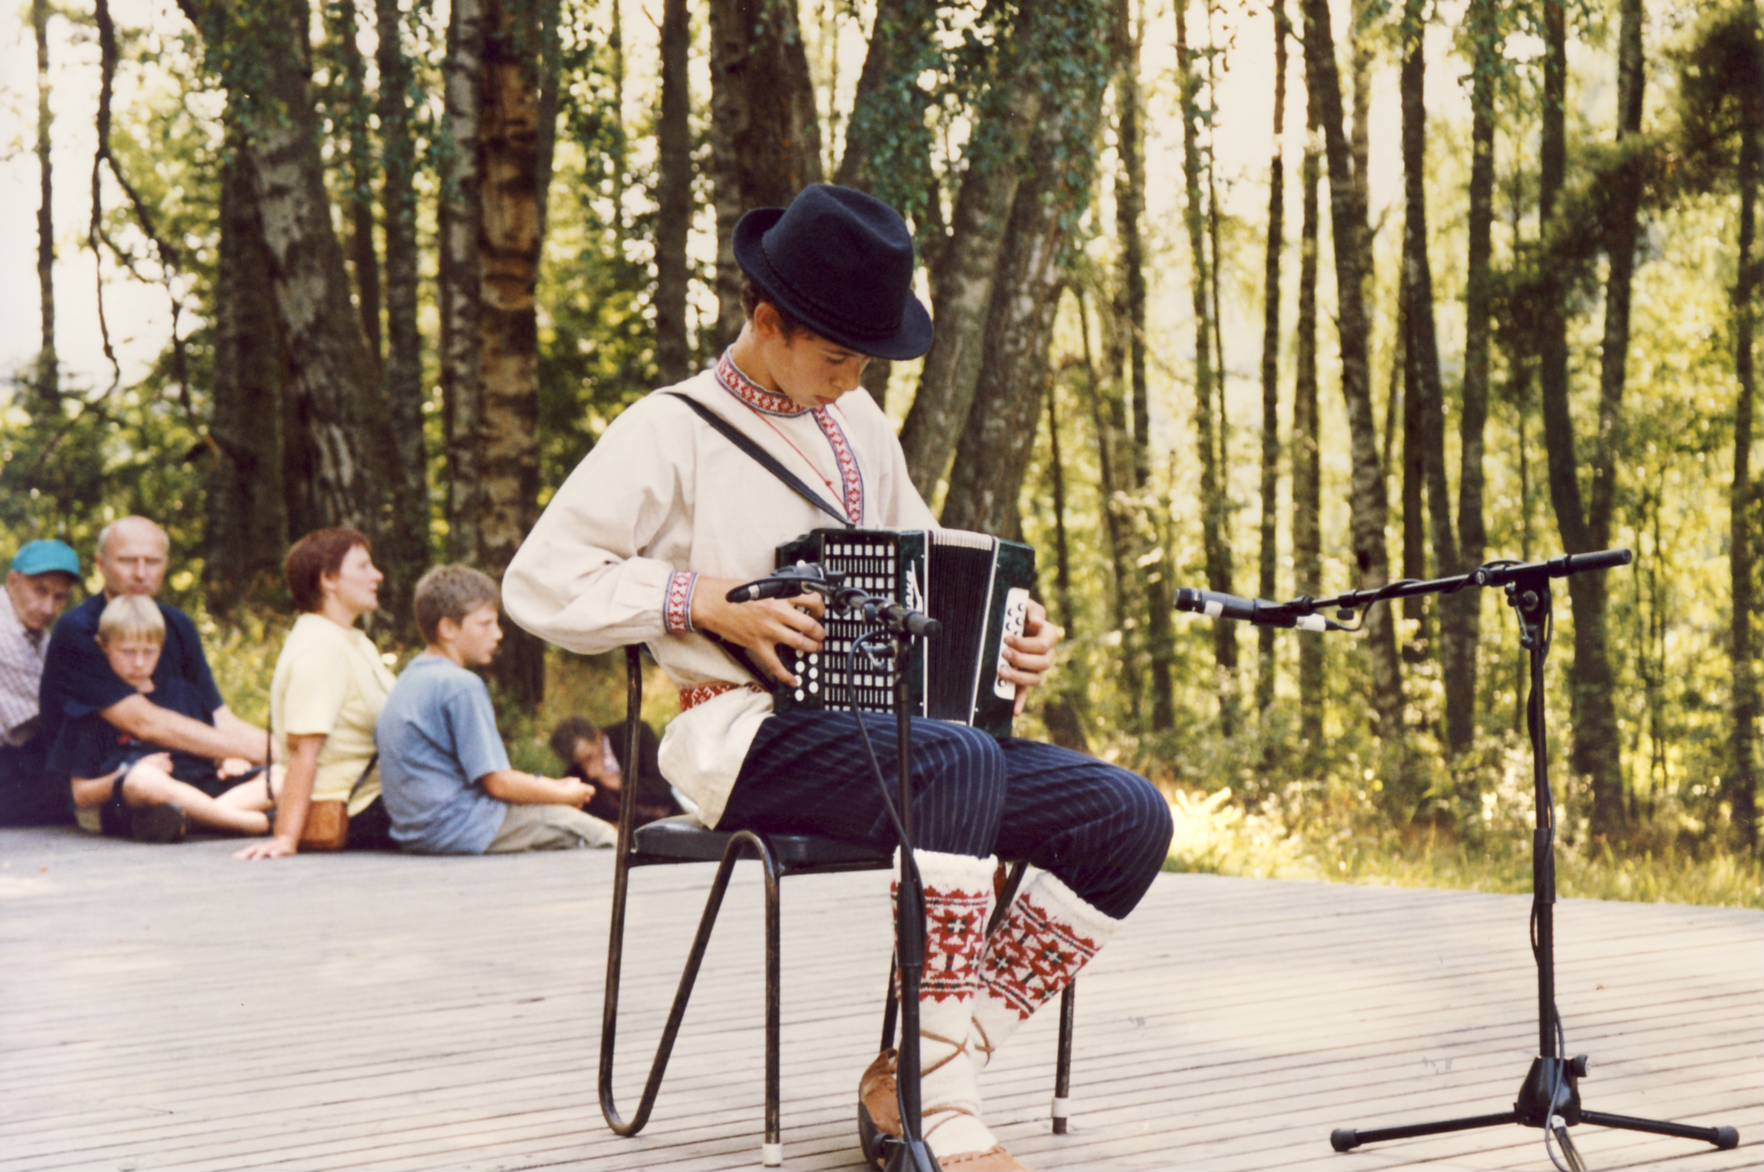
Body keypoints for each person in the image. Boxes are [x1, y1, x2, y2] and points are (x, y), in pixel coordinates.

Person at [504, 184, 1173, 1172]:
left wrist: (1010, 631)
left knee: (1128, 813)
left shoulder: (858, 423)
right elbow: (539, 581)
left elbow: (923, 565)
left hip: (890, 733)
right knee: (949, 762)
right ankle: (941, 1110)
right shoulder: (669, 427)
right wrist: (702, 598)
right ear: (765, 319)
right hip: (736, 730)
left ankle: (915, 1070)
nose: (853, 376)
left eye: (866, 358)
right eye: (835, 354)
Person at [377, 565, 615, 854]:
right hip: (463, 827)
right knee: (601, 835)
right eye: (485, 623)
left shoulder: (411, 676)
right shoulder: (459, 685)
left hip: (418, 831)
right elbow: (498, 784)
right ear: (448, 628)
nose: (498, 634)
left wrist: (549, 787)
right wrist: (561, 794)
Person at [37, 518, 268, 816]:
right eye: (128, 561)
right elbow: (143, 722)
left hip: (183, 774)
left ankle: (205, 815)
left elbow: (220, 717)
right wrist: (254, 751)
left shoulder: (178, 625)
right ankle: (222, 815)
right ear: (101, 564)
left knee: (280, 775)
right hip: (107, 783)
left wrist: (284, 752)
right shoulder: (79, 630)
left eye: (152, 562)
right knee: (144, 785)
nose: (141, 573)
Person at [53, 595, 273, 841]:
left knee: (281, 776)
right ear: (103, 646)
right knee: (143, 780)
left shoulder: (184, 693)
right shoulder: (94, 708)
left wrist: (227, 761)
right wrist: (126, 774)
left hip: (197, 789)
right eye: (127, 652)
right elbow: (81, 795)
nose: (138, 663)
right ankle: (244, 820)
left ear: (162, 646)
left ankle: (197, 820)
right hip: (144, 796)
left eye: (148, 652)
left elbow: (214, 754)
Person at [237, 528, 395, 860]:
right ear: (328, 579)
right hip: (352, 808)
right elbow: (302, 751)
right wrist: (286, 838)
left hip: (378, 797)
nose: (377, 575)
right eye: (364, 566)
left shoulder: (351, 640)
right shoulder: (319, 649)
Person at [0, 539, 81, 826]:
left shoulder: (36, 635)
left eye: (59, 597)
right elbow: (52, 711)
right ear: (13, 582)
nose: (48, 607)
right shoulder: (4, 632)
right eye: (40, 591)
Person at [547, 715, 680, 826]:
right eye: (580, 763)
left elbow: (663, 788)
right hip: (631, 836)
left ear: (598, 737)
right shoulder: (576, 775)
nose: (588, 770)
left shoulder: (635, 735)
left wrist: (619, 783)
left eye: (589, 757)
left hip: (673, 817)